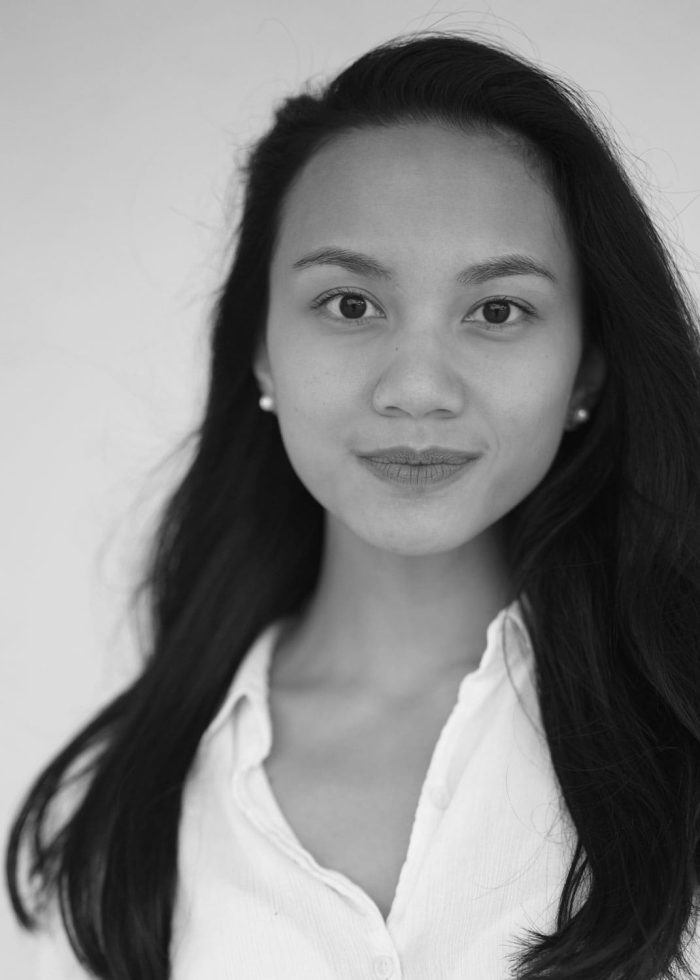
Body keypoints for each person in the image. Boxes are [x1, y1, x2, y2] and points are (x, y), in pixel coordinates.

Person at [6, 29, 700, 980]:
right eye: (349, 304)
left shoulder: (683, 739)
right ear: (260, 350)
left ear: (585, 367)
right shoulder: (112, 815)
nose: (416, 389)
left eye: (498, 311)